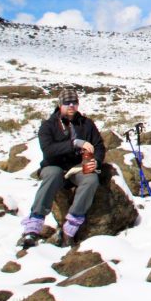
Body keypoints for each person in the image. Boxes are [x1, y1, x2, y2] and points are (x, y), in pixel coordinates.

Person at [18, 87, 104, 248]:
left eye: (74, 102)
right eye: (67, 103)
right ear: (60, 105)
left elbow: (99, 146)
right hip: (54, 165)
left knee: (91, 179)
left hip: (77, 167)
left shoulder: (86, 124)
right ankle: (33, 226)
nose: (71, 106)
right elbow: (48, 150)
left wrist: (96, 162)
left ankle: (70, 227)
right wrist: (73, 144)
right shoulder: (48, 125)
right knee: (52, 175)